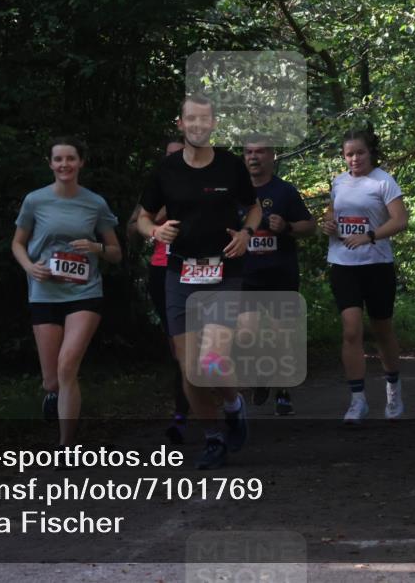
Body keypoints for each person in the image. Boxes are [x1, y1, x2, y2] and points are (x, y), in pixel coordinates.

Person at [137, 94, 262, 469]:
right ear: (181, 123)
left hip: (223, 271)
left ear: (213, 124)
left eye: (203, 119)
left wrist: (247, 233)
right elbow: (142, 217)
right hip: (180, 273)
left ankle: (234, 404)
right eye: (190, 119)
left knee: (214, 358)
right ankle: (212, 437)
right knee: (190, 365)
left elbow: (253, 206)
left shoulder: (230, 166)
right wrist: (155, 232)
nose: (196, 125)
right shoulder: (166, 170)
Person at [11, 136, 122, 446]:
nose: (64, 165)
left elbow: (116, 252)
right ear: (50, 164)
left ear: (81, 162)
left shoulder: (94, 202)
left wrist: (96, 247)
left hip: (84, 293)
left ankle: (66, 446)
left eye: (70, 159)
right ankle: (53, 395)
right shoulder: (35, 200)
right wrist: (29, 267)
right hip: (44, 292)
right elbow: (17, 243)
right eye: (58, 159)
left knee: (67, 366)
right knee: (52, 379)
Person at [322, 130, 408, 425]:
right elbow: (332, 213)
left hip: (376, 264)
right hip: (343, 263)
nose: (354, 158)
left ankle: (393, 390)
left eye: (359, 152)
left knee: (382, 330)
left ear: (370, 152)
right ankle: (357, 401)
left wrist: (369, 235)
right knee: (350, 330)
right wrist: (329, 224)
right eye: (349, 154)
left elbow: (400, 220)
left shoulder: (383, 181)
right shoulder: (338, 181)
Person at [241, 135, 316, 415]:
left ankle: (283, 390)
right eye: (248, 152)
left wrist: (285, 226)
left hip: (280, 274)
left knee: (281, 336)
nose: (253, 157)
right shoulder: (236, 193)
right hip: (247, 276)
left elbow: (310, 226)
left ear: (272, 156)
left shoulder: (285, 191)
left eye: (259, 151)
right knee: (247, 334)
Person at [126, 139, 191, 442]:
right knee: (178, 348)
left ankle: (223, 402)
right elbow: (130, 229)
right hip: (163, 270)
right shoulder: (156, 188)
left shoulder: (207, 184)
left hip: (203, 270)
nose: (174, 158)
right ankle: (181, 415)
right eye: (169, 154)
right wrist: (155, 218)